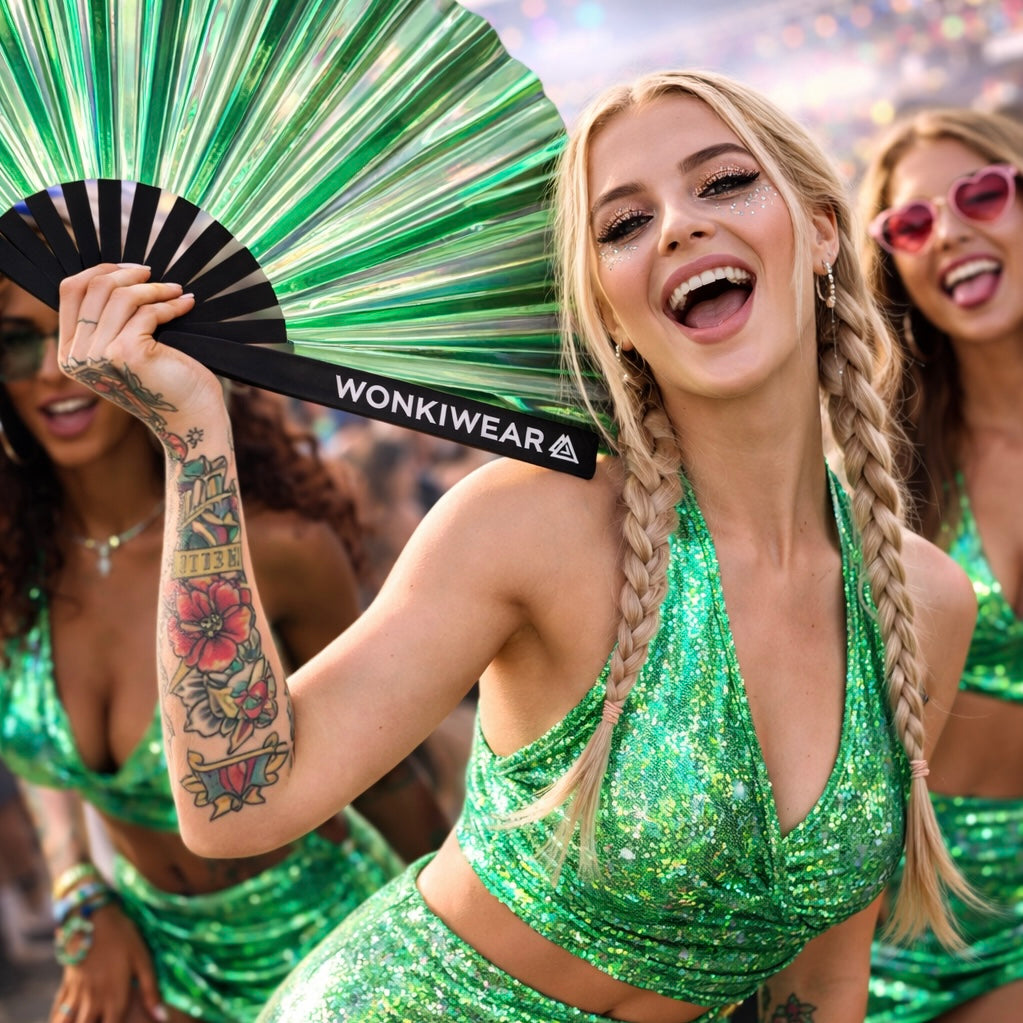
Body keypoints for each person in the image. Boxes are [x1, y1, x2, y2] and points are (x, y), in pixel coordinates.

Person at [54, 69, 979, 1022]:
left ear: (821, 228)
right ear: (609, 314)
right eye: (622, 225)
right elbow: (234, 805)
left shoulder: (924, 603)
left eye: (723, 182)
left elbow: (820, 976)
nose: (676, 227)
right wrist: (194, 437)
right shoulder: (532, 522)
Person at [0, 268, 447, 1023]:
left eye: (87, 331)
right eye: (15, 342)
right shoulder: (14, 567)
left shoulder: (280, 553)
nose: (54, 368)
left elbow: (389, 776)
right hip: (154, 968)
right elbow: (41, 753)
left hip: (336, 953)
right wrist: (80, 891)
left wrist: (457, 956)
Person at [858, 107, 1023, 1021]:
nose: (949, 230)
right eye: (912, 224)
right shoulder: (881, 458)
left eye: (981, 193)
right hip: (885, 902)